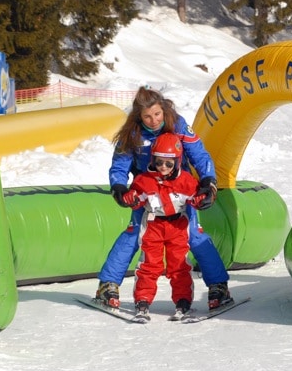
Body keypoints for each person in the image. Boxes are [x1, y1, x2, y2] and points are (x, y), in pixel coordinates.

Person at [95, 86, 232, 311]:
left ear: (163, 109)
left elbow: (199, 154)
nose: (153, 120)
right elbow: (120, 164)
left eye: (157, 114)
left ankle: (218, 286)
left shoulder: (177, 124)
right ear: (139, 116)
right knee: (133, 235)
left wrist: (208, 181)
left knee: (195, 236)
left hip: (179, 191)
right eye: (147, 116)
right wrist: (118, 187)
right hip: (148, 194)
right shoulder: (133, 133)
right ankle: (107, 285)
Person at [120, 133, 204, 320]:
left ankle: (183, 301)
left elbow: (196, 198)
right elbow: (137, 199)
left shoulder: (186, 181)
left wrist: (202, 198)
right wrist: (130, 199)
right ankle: (143, 300)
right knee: (149, 264)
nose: (163, 167)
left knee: (179, 264)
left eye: (168, 163)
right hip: (153, 225)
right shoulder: (144, 180)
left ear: (177, 161)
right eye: (159, 162)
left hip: (177, 226)